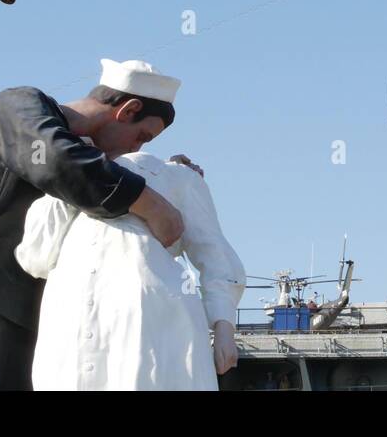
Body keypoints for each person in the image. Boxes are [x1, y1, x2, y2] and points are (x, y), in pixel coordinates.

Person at [0, 59, 193, 391]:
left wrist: (168, 172)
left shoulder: (87, 155)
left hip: (20, 308)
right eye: (141, 137)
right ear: (128, 110)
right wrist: (152, 202)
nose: (136, 149)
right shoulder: (17, 104)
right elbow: (58, 160)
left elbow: (84, 169)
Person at [16, 152, 244, 390]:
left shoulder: (174, 176)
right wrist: (71, 180)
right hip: (70, 315)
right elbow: (34, 259)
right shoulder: (59, 187)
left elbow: (214, 253)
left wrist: (223, 324)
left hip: (147, 319)